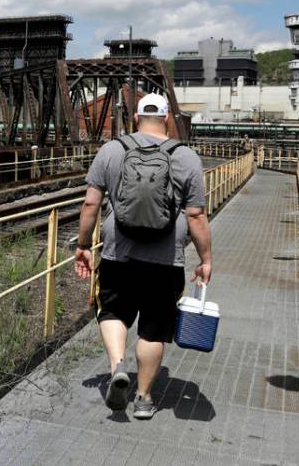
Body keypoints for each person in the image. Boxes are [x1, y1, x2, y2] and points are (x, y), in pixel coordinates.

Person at [74, 93, 212, 419]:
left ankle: (117, 366)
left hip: (116, 255)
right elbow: (196, 216)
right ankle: (144, 399)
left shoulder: (112, 150)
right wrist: (205, 259)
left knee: (113, 313)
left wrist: (82, 245)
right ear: (167, 119)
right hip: (166, 261)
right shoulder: (186, 157)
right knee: (152, 329)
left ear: (136, 118)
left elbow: (91, 204)